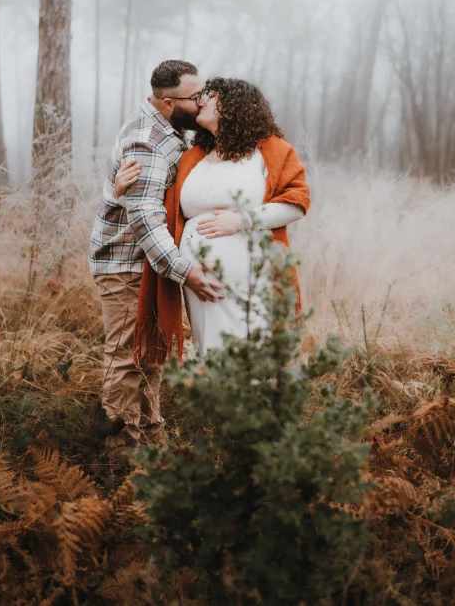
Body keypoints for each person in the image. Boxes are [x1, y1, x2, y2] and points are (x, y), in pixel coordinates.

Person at [114, 77, 310, 362]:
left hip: (250, 274)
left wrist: (241, 220)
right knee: (210, 350)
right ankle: (216, 406)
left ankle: (254, 404)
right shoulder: (193, 156)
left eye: (211, 96)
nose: (201, 101)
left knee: (249, 350)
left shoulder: (270, 150)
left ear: (234, 106)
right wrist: (123, 195)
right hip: (197, 278)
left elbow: (297, 203)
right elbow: (163, 207)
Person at [88, 59, 224, 448]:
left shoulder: (173, 130)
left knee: (152, 353)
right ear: (167, 102)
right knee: (129, 356)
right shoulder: (147, 140)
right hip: (126, 264)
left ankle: (151, 442)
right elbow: (145, 218)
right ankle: (121, 455)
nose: (201, 103)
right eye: (194, 97)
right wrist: (187, 271)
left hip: (151, 263)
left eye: (202, 94)